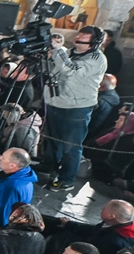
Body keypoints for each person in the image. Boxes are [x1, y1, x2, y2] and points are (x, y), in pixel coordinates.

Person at [43, 27, 109, 188]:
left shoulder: (96, 58)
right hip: (56, 101)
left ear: (94, 41)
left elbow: (71, 70)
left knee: (71, 146)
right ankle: (49, 166)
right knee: (52, 140)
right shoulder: (69, 52)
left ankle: (67, 178)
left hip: (76, 107)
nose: (78, 36)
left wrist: (58, 50)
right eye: (79, 33)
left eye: (84, 35)